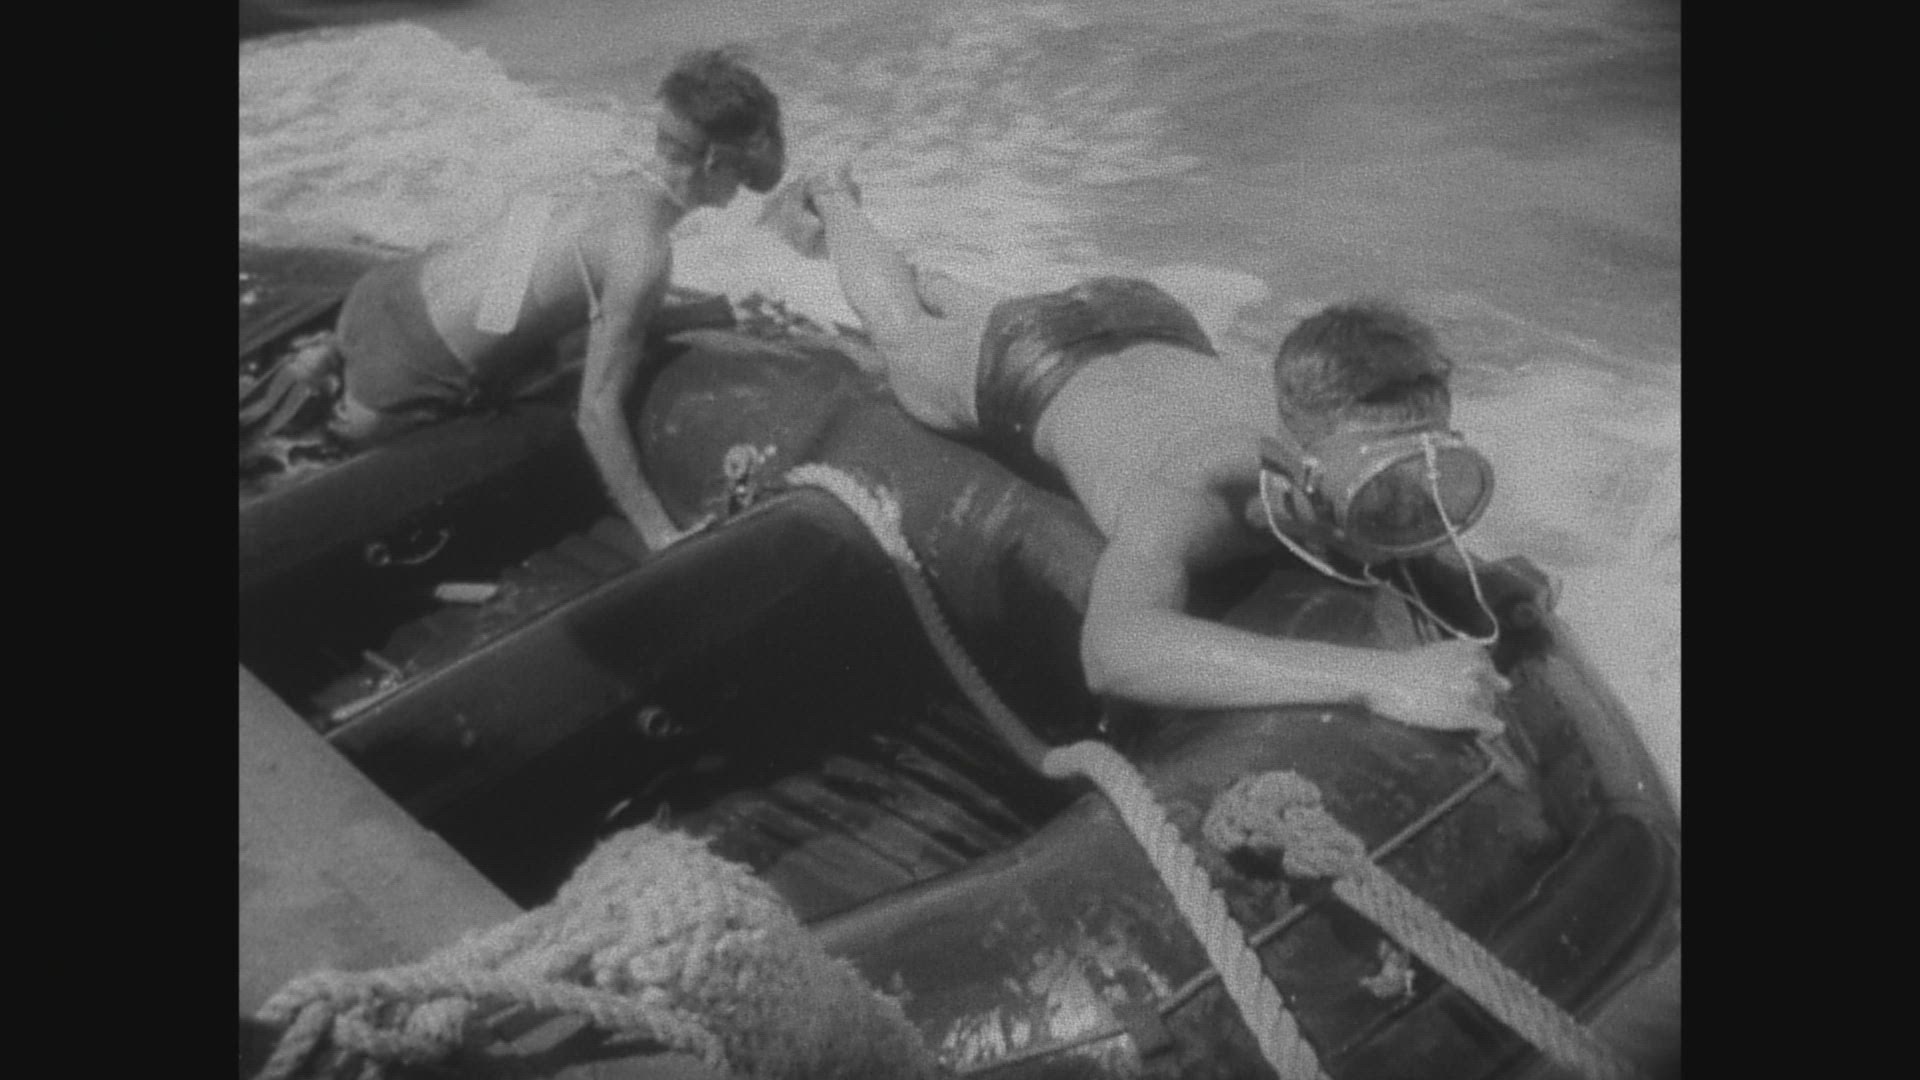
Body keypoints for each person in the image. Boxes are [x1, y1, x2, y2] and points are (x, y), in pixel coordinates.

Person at [795, 166, 1507, 732]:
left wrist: (1473, 571)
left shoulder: (1325, 412)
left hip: (1148, 317)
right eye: (1382, 493)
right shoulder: (1194, 491)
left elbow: (1390, 491)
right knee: (899, 331)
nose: (1412, 505)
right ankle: (833, 196)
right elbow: (1114, 652)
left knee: (1007, 314)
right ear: (1294, 467)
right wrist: (1380, 680)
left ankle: (947, 285)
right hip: (1031, 361)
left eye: (1432, 471)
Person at [241, 49, 785, 552]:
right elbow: (596, 413)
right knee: (540, 401)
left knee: (537, 355)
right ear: (714, 163)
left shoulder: (592, 177)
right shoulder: (642, 252)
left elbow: (508, 301)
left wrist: (702, 312)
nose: (743, 185)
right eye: (741, 169)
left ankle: (313, 368)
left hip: (377, 297)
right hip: (398, 382)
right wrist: (661, 534)